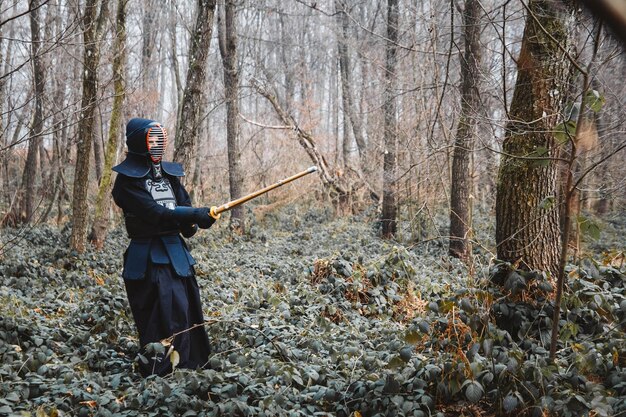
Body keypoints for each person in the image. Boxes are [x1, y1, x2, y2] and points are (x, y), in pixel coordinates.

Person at [112, 117, 219, 376]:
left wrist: (197, 221)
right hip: (148, 258)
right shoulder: (126, 183)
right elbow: (156, 213)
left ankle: (191, 366)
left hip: (177, 256)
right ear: (140, 142)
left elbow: (183, 211)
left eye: (160, 139)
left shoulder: (171, 175)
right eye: (152, 140)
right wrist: (194, 214)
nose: (157, 145)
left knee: (188, 310)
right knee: (164, 315)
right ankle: (163, 373)